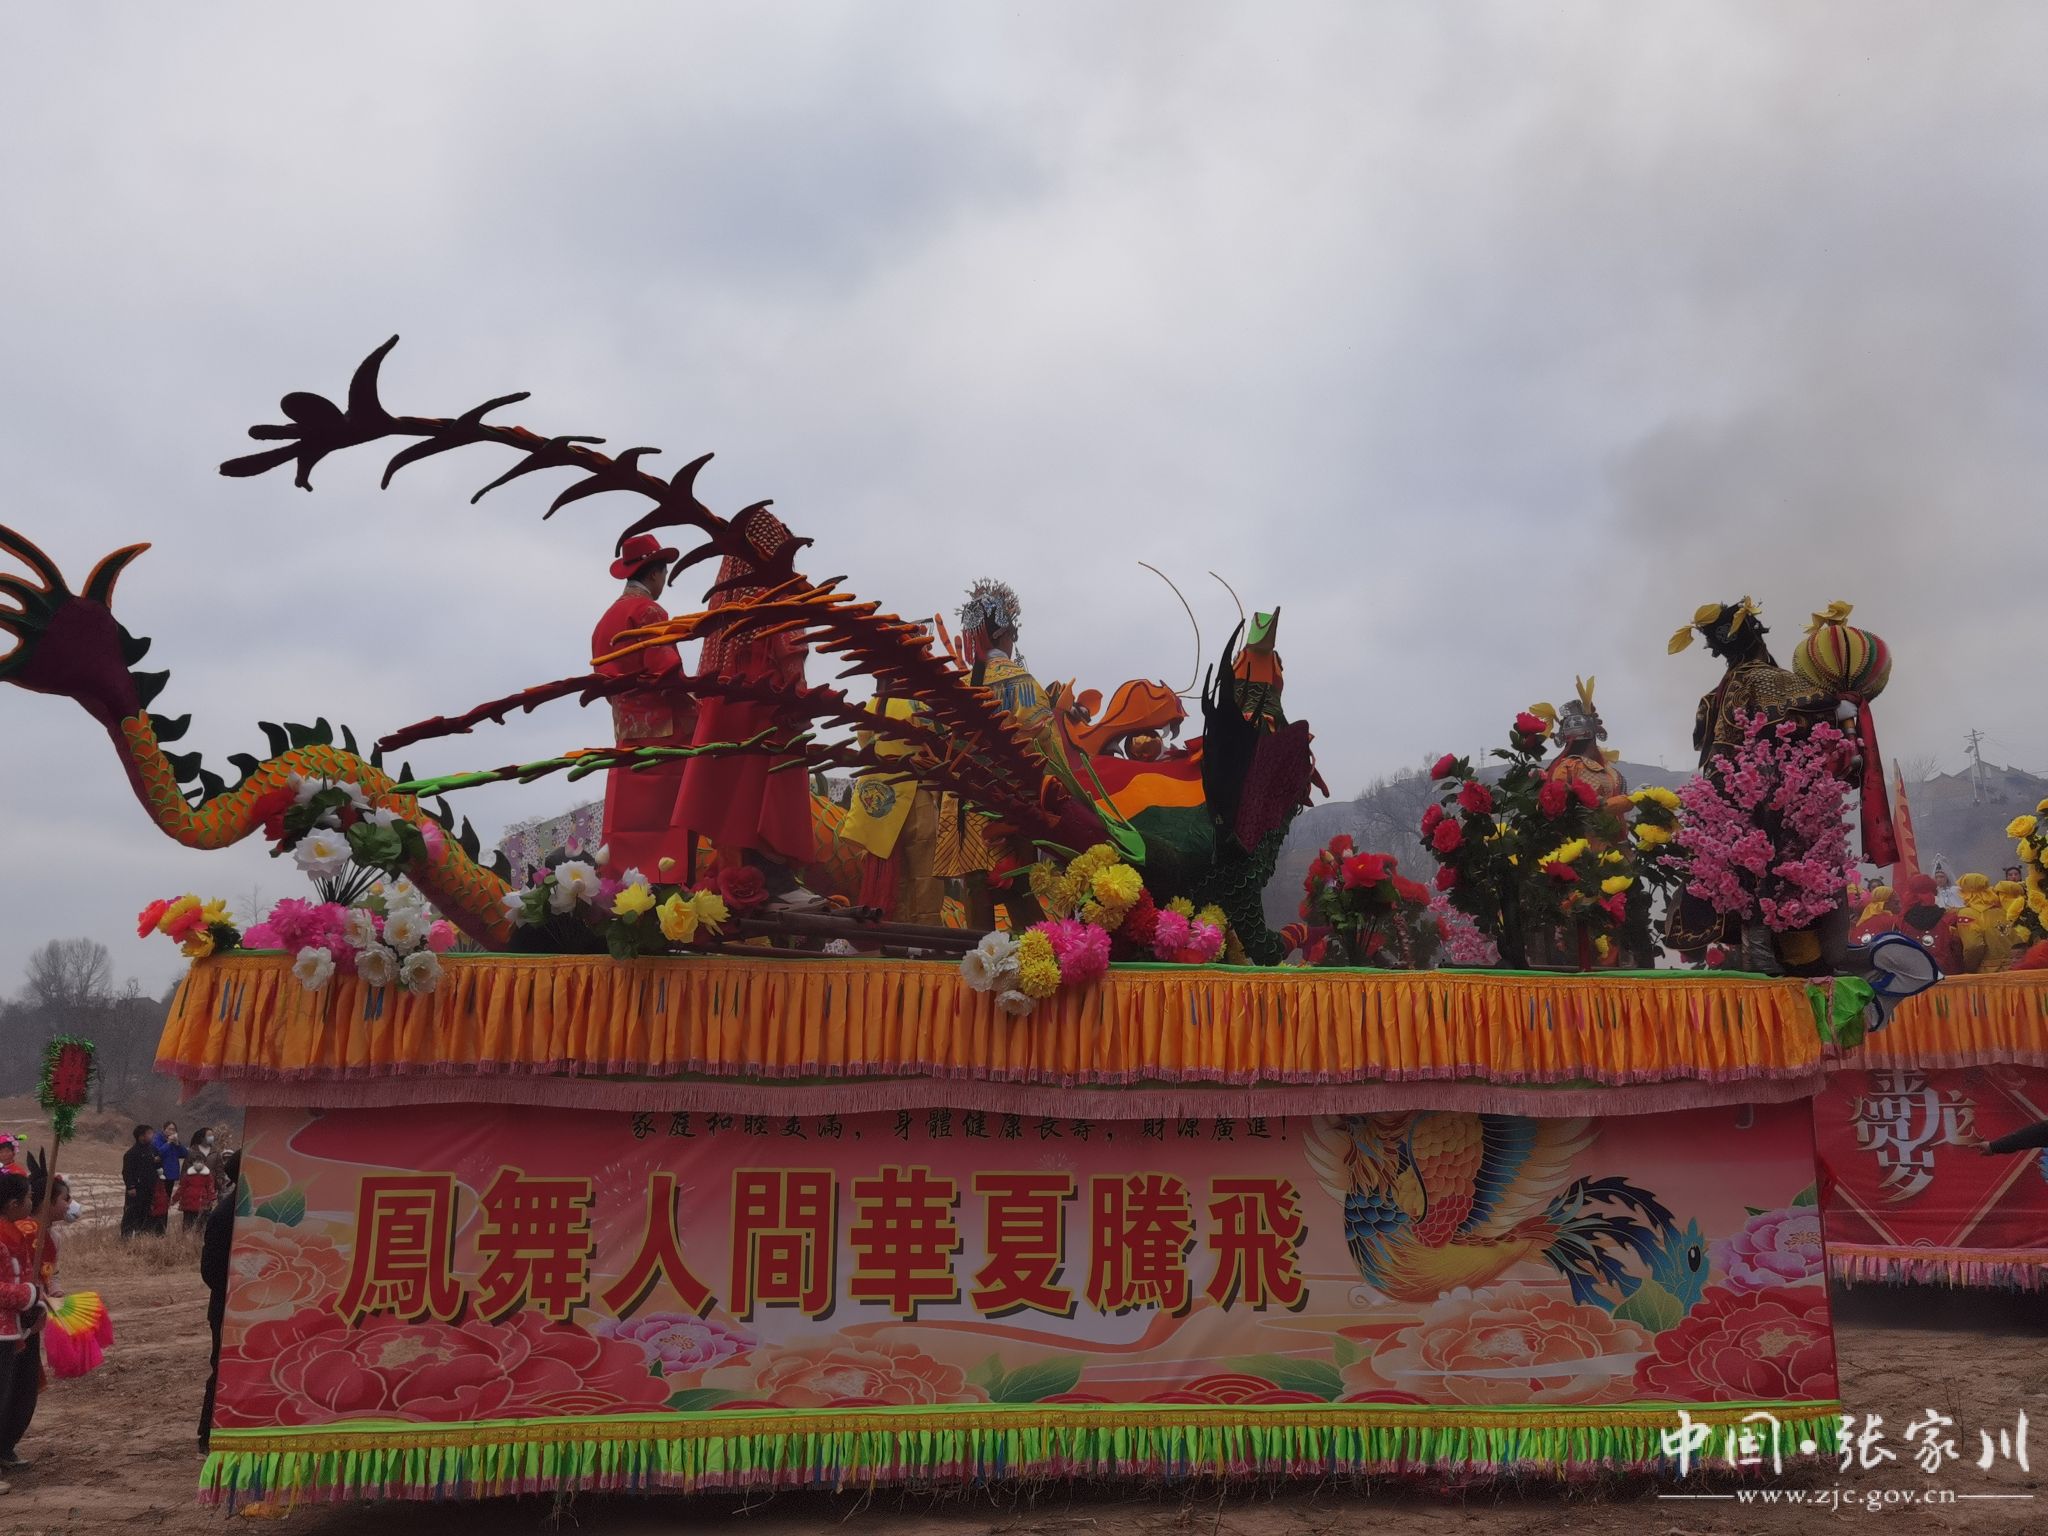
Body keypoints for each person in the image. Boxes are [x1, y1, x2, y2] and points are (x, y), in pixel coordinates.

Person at [671, 504, 816, 899]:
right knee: (762, 788)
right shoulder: (774, 601)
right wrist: (800, 699)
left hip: (729, 701)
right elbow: (791, 649)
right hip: (765, 703)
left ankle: (737, 872)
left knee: (729, 789)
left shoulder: (727, 612)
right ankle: (770, 874)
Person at [932, 580, 1062, 931]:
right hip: (1009, 805)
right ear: (1005, 635)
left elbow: (941, 741)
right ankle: (1037, 955)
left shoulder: (960, 685)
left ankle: (980, 959)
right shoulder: (1022, 682)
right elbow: (1046, 745)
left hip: (964, 806)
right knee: (1018, 887)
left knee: (977, 892)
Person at [591, 533, 695, 876]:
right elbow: (667, 671)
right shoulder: (649, 611)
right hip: (666, 733)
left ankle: (621, 880)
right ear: (654, 573)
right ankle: (671, 878)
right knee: (670, 813)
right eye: (664, 574)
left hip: (625, 731)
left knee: (627, 813)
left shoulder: (605, 620)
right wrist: (699, 702)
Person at [0, 1170, 71, 1472]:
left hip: (25, 1321)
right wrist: (32, 1295)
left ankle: (5, 1446)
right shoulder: (19, 1234)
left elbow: (42, 1273)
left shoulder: (34, 1234)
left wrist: (44, 1296)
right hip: (10, 1325)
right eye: (65, 1199)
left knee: (21, 1389)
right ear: (14, 1204)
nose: (69, 1205)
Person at [0, 1173, 43, 1496]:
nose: (32, 1201)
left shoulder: (14, 1235)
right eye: (28, 1197)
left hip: (10, 1330)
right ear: (13, 1204)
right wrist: (28, 1294)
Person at [199, 1150, 241, 1452]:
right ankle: (208, 1434)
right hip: (228, 1306)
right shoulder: (226, 1215)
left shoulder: (257, 1210)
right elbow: (211, 1270)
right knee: (224, 1367)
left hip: (252, 1307)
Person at [120, 1125, 158, 1240]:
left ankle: (142, 1238)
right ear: (141, 1136)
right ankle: (126, 1238)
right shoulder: (131, 1153)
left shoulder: (153, 1150)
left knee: (146, 1214)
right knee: (131, 1214)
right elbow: (127, 1172)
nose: (152, 1136)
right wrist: (131, 1186)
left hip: (149, 1188)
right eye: (149, 1133)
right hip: (136, 1190)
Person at [178, 1149, 217, 1233]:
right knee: (187, 1224)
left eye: (201, 1162)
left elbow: (210, 1188)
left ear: (204, 1163)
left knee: (201, 1225)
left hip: (202, 1203)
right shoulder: (187, 1175)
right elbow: (181, 1188)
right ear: (193, 1163)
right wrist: (175, 1199)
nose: (199, 1164)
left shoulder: (207, 1176)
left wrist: (211, 1199)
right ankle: (185, 1237)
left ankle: (198, 1237)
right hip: (188, 1203)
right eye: (196, 1162)